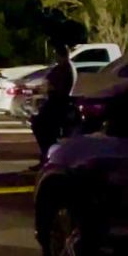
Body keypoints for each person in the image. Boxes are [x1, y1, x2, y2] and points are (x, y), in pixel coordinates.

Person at [30, 43, 78, 171]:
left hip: (59, 106)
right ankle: (46, 157)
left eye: (57, 55)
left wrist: (50, 87)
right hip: (54, 104)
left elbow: (60, 89)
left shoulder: (66, 68)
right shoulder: (61, 68)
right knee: (39, 126)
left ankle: (49, 158)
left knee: (44, 129)